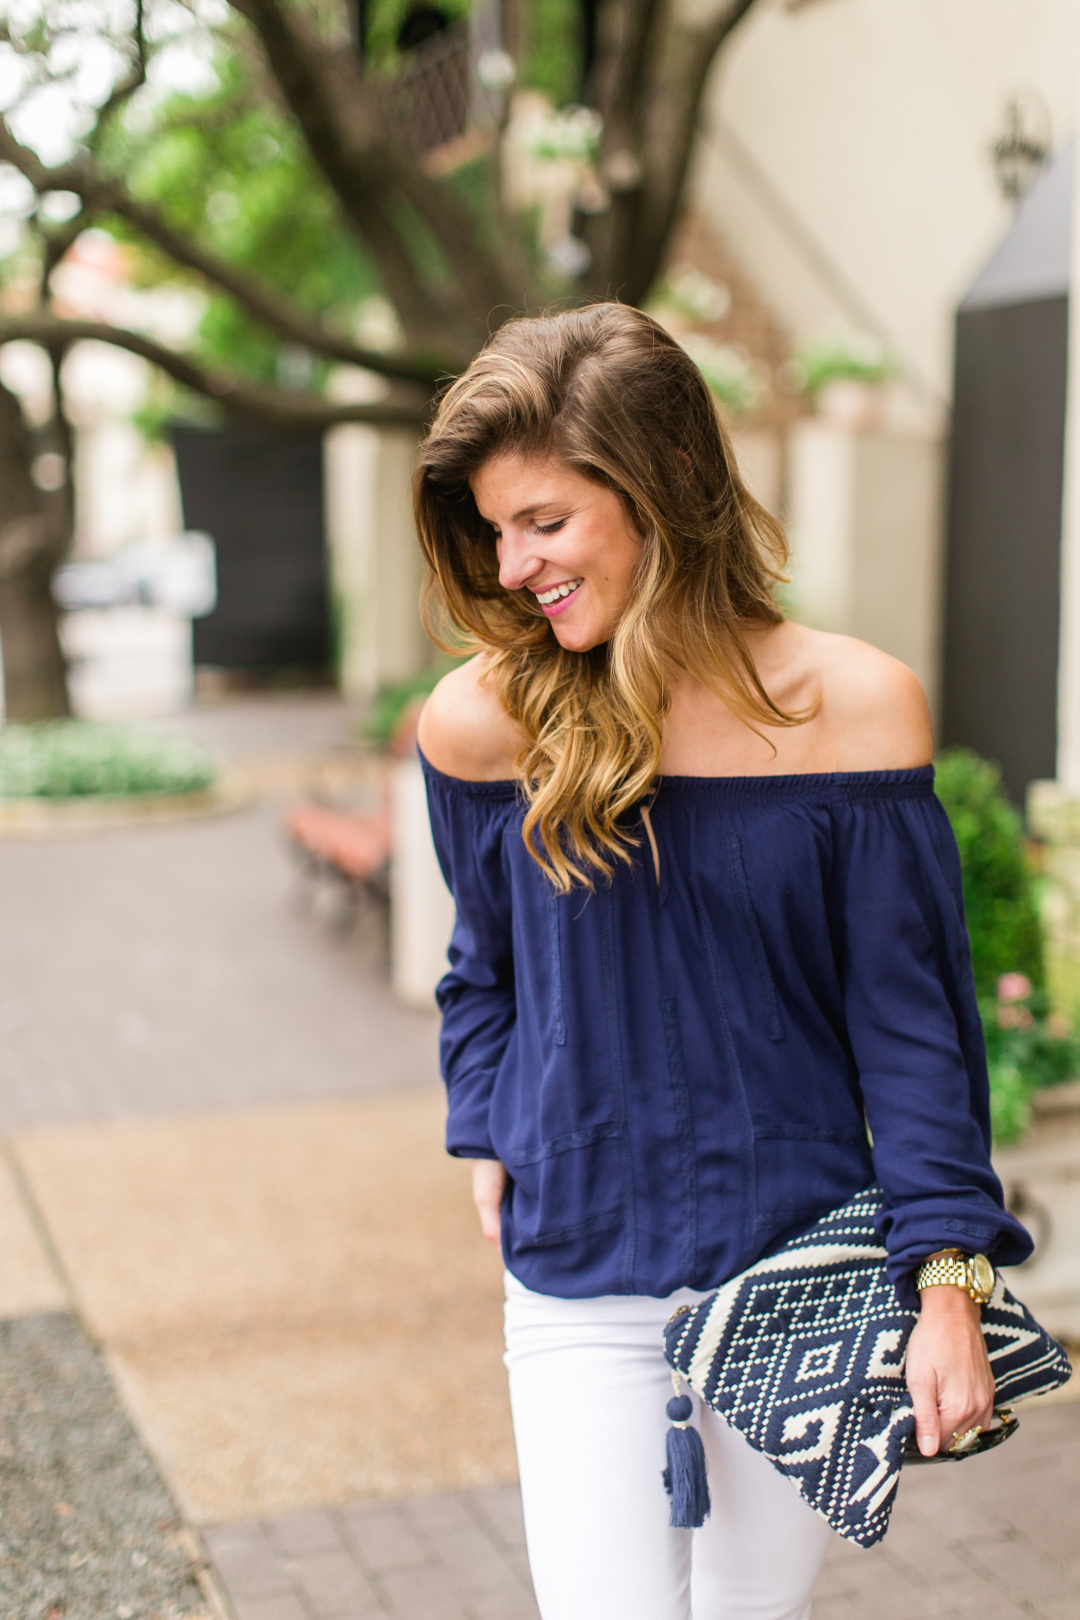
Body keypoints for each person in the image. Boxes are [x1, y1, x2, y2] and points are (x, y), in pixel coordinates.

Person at [413, 304, 1032, 1620]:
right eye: (495, 529)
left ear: (669, 488)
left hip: (799, 1263)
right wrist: (488, 1129)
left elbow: (913, 1031)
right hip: (580, 1262)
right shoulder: (483, 722)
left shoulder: (852, 706)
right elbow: (484, 971)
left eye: (548, 522)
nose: (513, 566)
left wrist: (950, 1288)